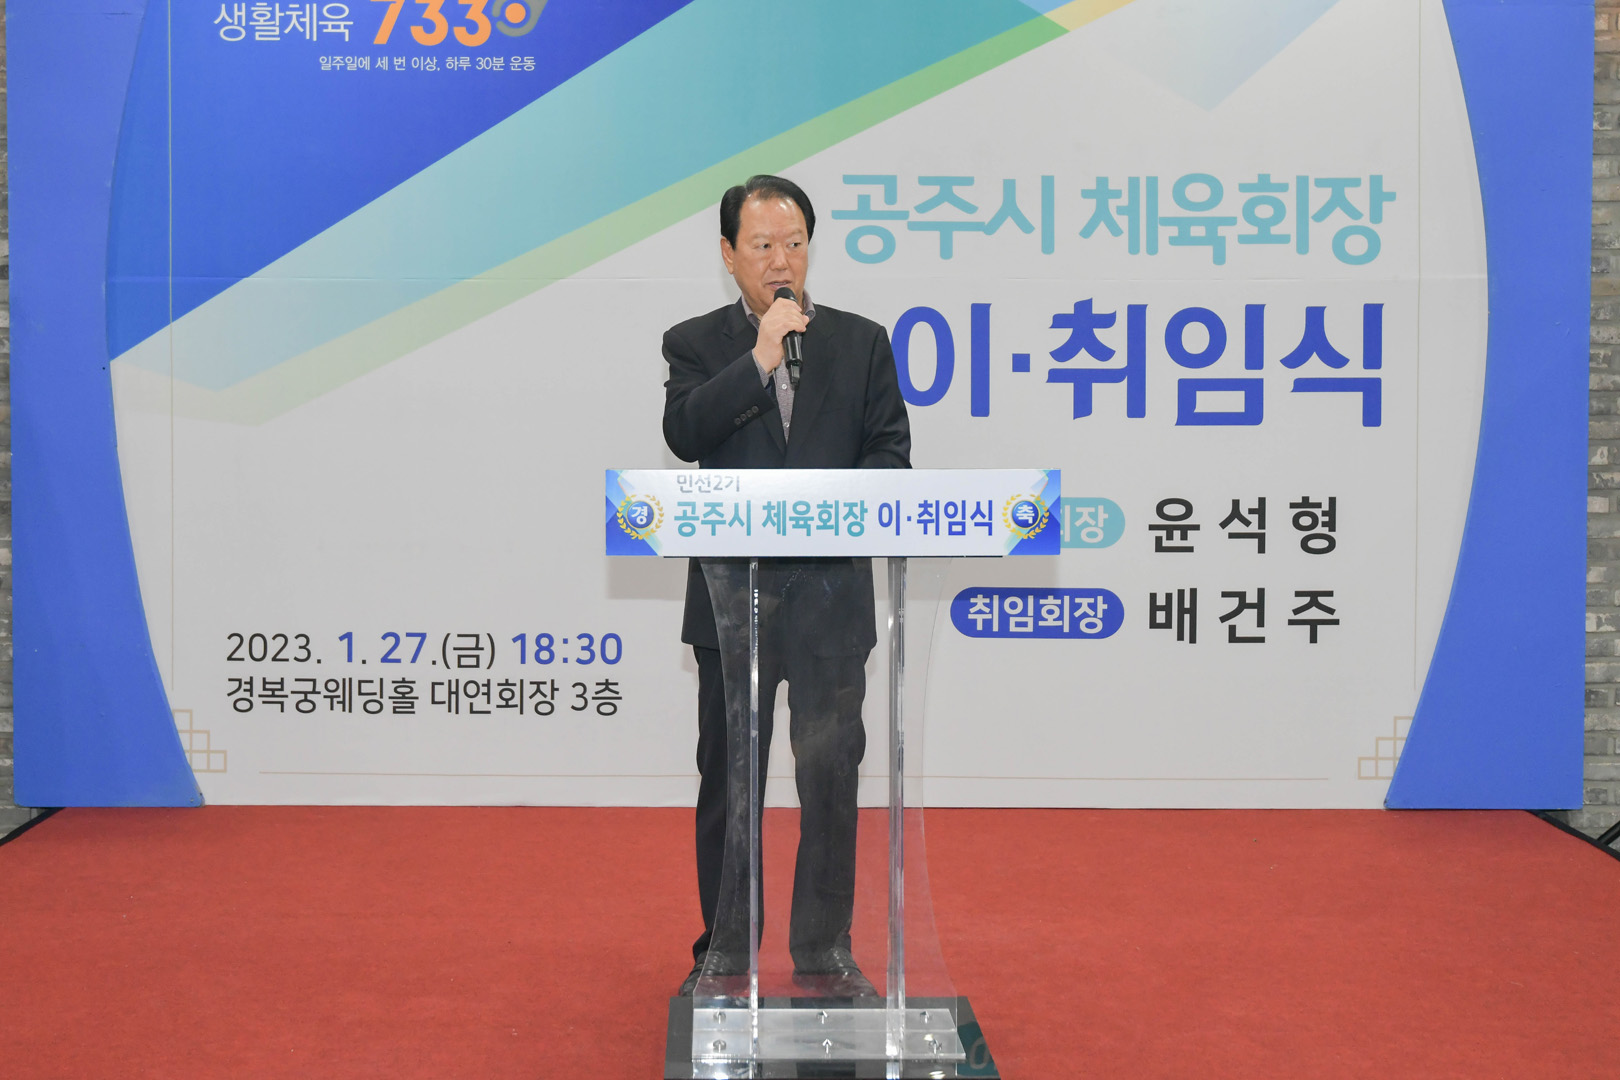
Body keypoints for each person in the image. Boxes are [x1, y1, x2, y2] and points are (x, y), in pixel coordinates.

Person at [662, 175, 911, 997]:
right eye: (763, 245)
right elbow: (686, 431)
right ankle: (726, 949)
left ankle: (824, 949)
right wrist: (760, 358)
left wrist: (834, 506)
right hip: (733, 604)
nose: (781, 261)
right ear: (729, 253)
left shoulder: (861, 341)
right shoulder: (695, 343)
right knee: (730, 783)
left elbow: (889, 453)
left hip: (831, 603)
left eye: (795, 243)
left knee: (830, 782)